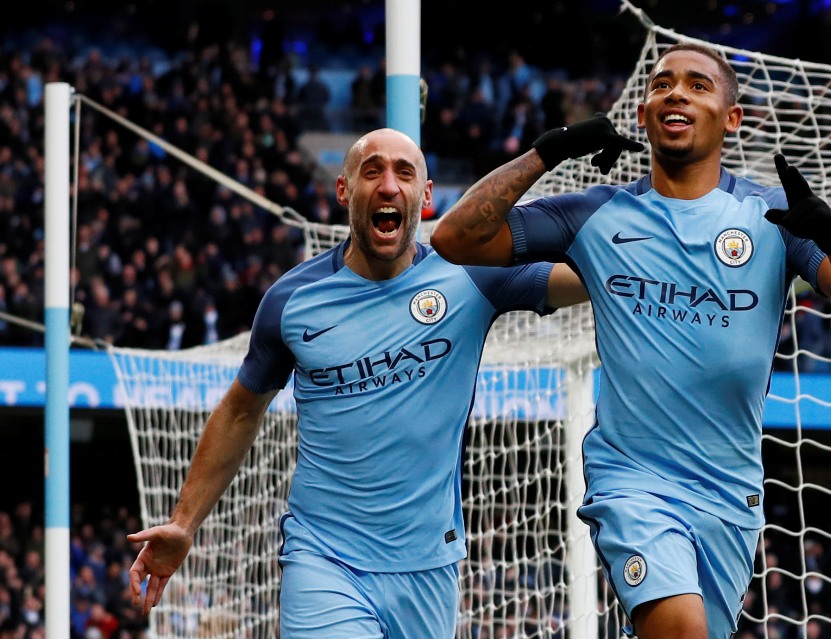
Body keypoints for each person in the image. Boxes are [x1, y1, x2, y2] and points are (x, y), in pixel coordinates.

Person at [430, 43, 831, 639]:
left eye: (698, 85)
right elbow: (456, 239)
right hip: (633, 480)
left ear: (732, 117)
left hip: (730, 495)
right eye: (661, 84)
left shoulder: (774, 216)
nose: (675, 92)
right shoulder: (595, 214)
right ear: (643, 115)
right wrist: (549, 152)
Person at [125, 128, 589, 638]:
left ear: (426, 196)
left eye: (404, 173)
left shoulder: (472, 274)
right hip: (324, 559)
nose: (388, 185)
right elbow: (240, 410)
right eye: (372, 171)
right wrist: (184, 522)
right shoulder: (292, 302)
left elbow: (590, 280)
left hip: (428, 564)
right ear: (344, 191)